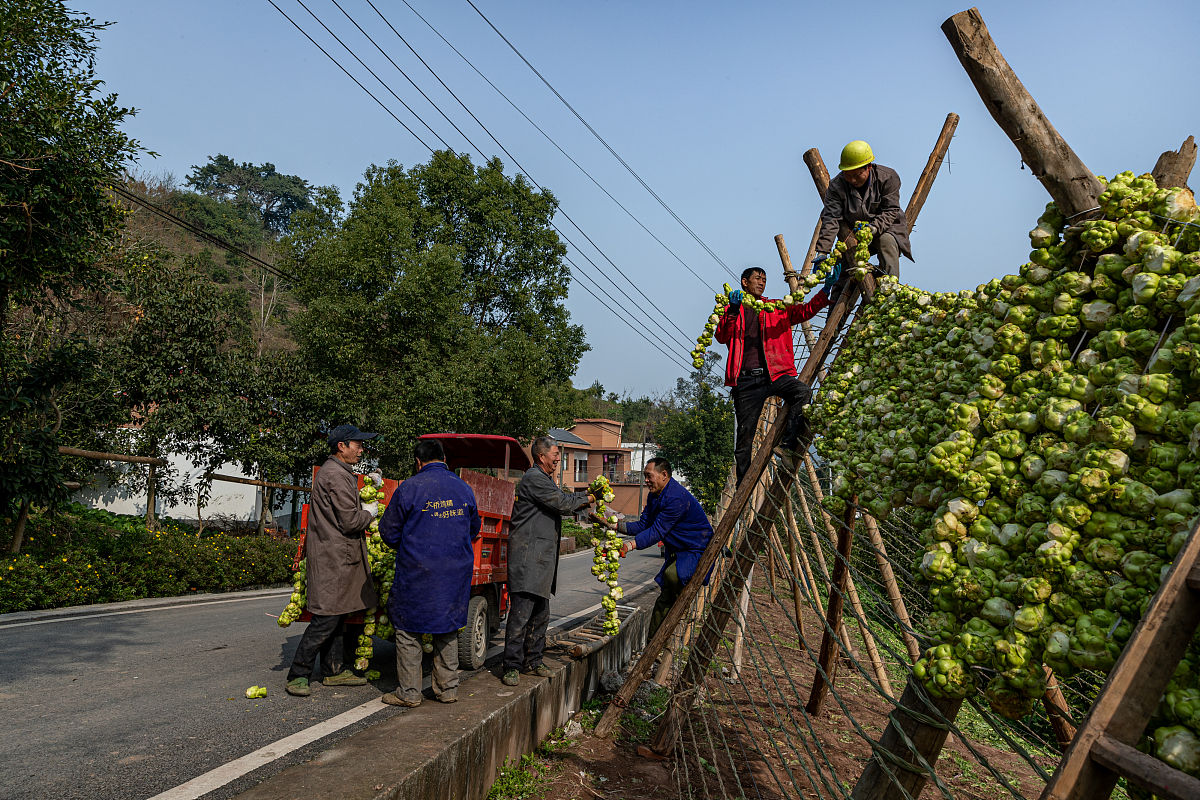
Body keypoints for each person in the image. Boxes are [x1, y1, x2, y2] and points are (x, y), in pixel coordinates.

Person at [377, 438, 481, 707]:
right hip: (455, 573)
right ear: (444, 459)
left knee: (408, 629)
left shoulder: (409, 488)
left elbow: (388, 533)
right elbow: (474, 530)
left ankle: (409, 693)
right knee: (447, 628)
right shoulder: (464, 489)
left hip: (417, 572)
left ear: (418, 462)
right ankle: (447, 690)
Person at [715, 266, 838, 484]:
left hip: (774, 374)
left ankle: (788, 446)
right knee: (745, 437)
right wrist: (733, 310)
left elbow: (804, 312)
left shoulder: (775, 307)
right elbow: (722, 336)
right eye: (757, 279)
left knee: (802, 393)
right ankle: (743, 485)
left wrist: (825, 291)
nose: (761, 282)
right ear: (744, 282)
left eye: (764, 279)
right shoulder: (731, 308)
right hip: (745, 380)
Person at [285, 424, 379, 697]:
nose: (361, 450)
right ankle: (298, 674)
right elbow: (350, 521)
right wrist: (369, 512)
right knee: (326, 618)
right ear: (342, 446)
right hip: (333, 558)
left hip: (337, 556)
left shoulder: (339, 473)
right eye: (357, 445)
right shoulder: (336, 476)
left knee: (338, 616)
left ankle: (333, 670)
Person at [502, 436, 594, 686]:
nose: (557, 459)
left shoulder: (545, 480)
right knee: (521, 615)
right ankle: (511, 665)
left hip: (541, 561)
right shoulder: (533, 479)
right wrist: (589, 497)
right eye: (555, 454)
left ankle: (533, 661)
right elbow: (563, 503)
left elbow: (563, 503)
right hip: (528, 558)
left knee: (540, 615)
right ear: (541, 456)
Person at [600, 458, 713, 641]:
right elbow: (644, 524)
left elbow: (657, 531)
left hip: (696, 548)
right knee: (663, 598)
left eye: (649, 476)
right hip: (678, 550)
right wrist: (614, 526)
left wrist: (629, 545)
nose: (646, 481)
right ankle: (653, 643)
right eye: (645, 476)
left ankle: (684, 608)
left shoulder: (676, 498)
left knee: (672, 575)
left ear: (664, 475)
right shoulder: (654, 496)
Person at [814, 140, 913, 302]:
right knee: (842, 272)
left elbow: (891, 210)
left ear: (869, 167)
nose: (852, 180)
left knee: (886, 242)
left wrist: (873, 228)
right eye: (848, 175)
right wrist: (822, 252)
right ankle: (835, 320)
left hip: (885, 228)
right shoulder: (837, 186)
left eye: (857, 174)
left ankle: (891, 291)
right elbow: (831, 218)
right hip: (853, 235)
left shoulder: (888, 177)